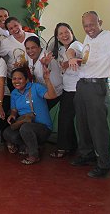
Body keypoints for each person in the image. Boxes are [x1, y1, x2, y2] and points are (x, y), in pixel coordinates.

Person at [70, 12, 110, 178]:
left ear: (100, 22)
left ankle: (104, 163)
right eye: (85, 25)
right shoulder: (88, 38)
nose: (89, 28)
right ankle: (86, 154)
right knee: (82, 124)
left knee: (98, 126)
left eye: (92, 24)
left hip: (96, 86)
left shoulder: (109, 37)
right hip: (82, 85)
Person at [4, 66, 56, 165]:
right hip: (25, 123)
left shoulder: (36, 87)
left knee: (25, 128)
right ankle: (30, 146)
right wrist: (12, 115)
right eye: (14, 79)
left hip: (43, 128)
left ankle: (34, 155)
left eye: (20, 78)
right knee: (7, 133)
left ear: (26, 79)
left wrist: (47, 80)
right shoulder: (14, 93)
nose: (16, 81)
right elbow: (14, 109)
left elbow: (52, 96)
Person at [49, 22, 83, 158]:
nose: (64, 35)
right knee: (66, 118)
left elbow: (75, 56)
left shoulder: (76, 45)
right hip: (66, 88)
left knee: (65, 118)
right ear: (57, 37)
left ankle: (63, 147)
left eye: (66, 32)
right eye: (60, 33)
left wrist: (69, 61)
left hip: (77, 88)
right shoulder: (60, 49)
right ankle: (71, 146)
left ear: (72, 33)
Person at [0, 17, 37, 89]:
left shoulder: (32, 36)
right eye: (11, 28)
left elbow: (39, 53)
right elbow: (0, 56)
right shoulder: (6, 42)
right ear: (8, 31)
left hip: (32, 76)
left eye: (16, 26)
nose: (14, 29)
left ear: (20, 24)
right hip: (15, 78)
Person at [24, 36, 63, 109]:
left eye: (33, 47)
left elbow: (47, 66)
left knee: (37, 111)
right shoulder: (30, 57)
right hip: (42, 91)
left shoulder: (46, 57)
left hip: (55, 92)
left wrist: (45, 64)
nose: (30, 51)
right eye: (27, 48)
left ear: (39, 47)